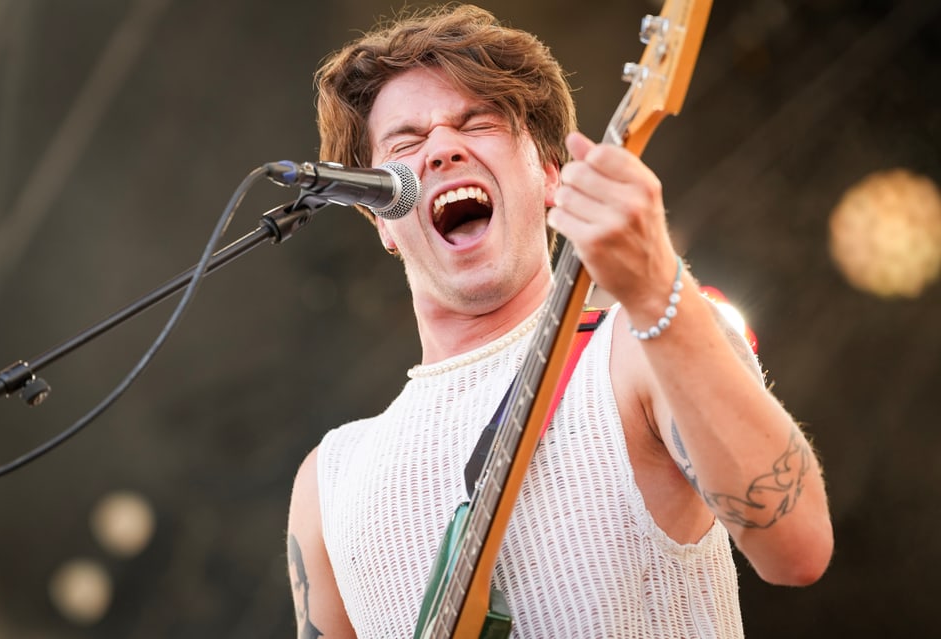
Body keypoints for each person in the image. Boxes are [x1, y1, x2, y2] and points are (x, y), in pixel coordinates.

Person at [286, 4, 834, 637]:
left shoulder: (640, 347)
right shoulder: (329, 480)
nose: (440, 149)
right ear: (380, 215)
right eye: (405, 144)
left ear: (549, 175)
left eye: (478, 122)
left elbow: (798, 548)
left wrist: (657, 289)